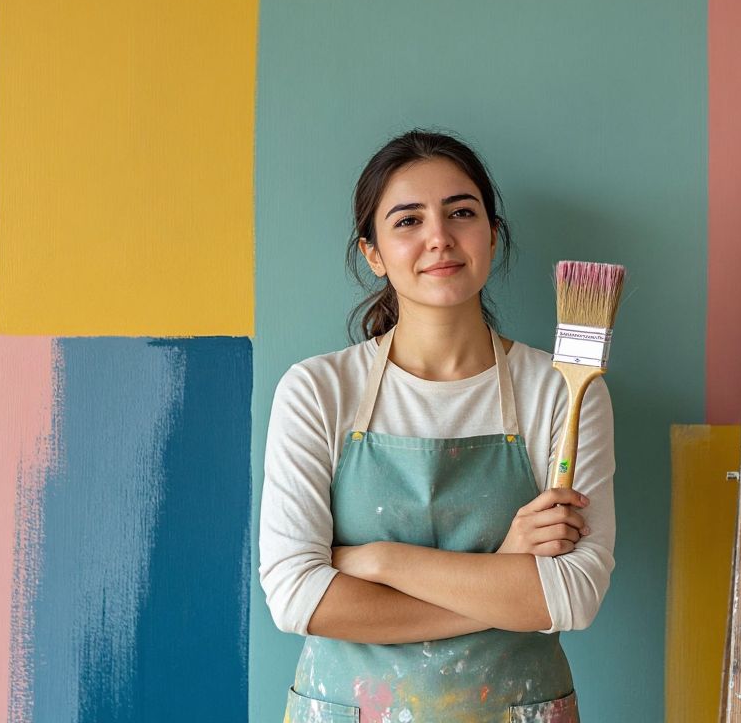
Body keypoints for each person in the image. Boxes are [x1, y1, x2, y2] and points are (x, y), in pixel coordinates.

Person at [259, 130, 616, 722]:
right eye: (407, 220)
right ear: (372, 252)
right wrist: (507, 578)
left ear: (492, 235)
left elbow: (573, 597)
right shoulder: (318, 391)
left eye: (460, 212)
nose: (439, 237)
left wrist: (377, 561)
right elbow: (298, 598)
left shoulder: (563, 392)